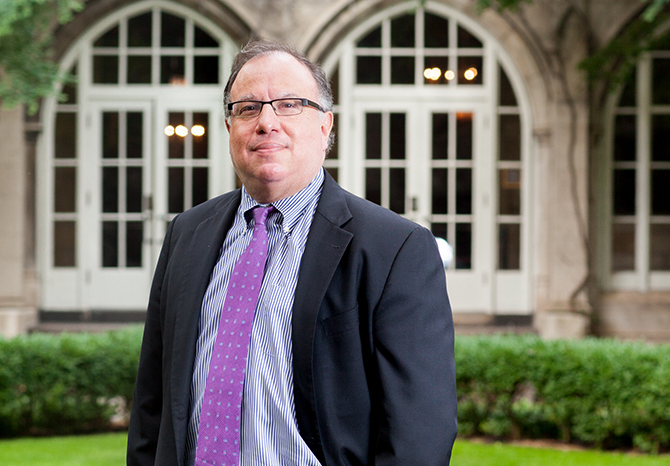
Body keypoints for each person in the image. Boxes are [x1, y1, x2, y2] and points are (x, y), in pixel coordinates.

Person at [127, 39, 456, 466]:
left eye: (289, 104)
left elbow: (419, 432)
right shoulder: (187, 233)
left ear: (325, 127)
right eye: (248, 108)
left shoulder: (395, 249)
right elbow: (152, 403)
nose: (266, 122)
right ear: (229, 129)